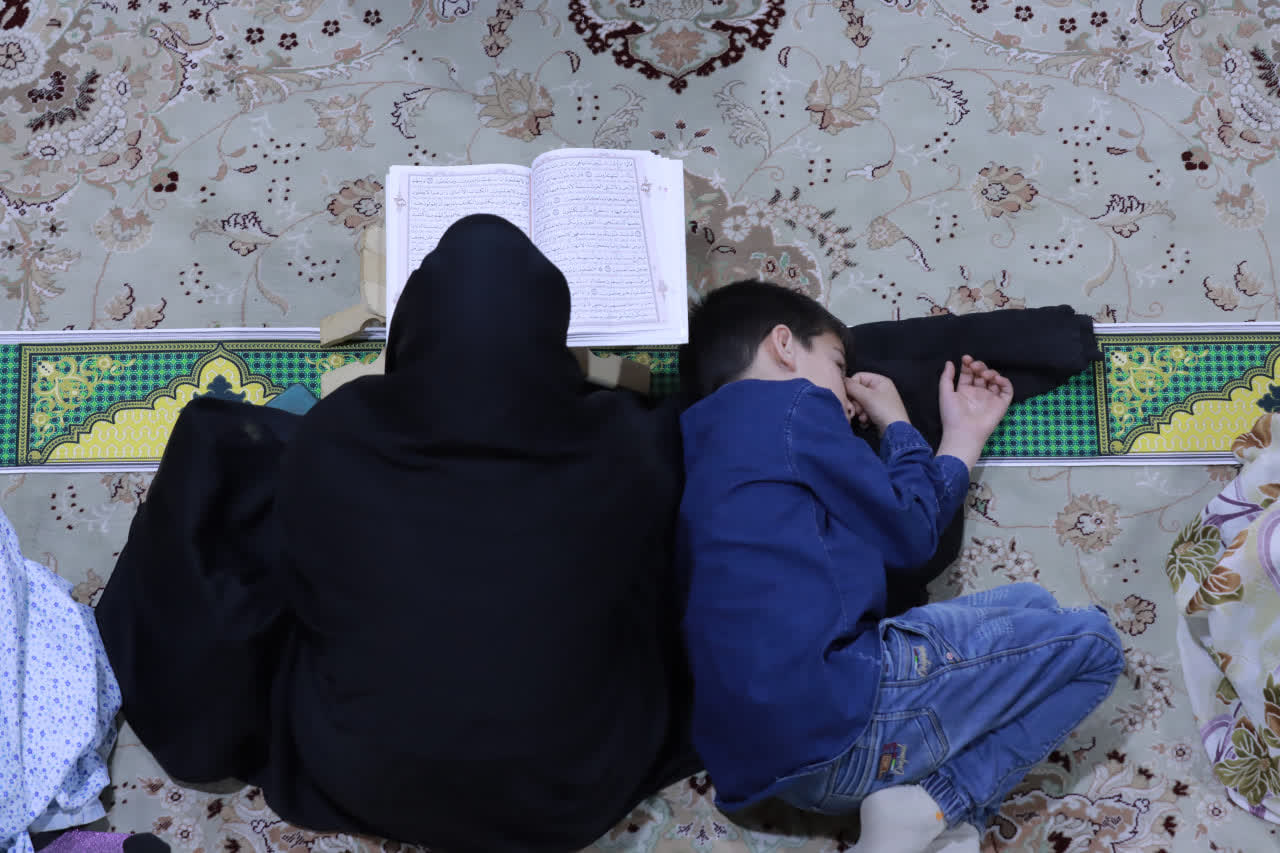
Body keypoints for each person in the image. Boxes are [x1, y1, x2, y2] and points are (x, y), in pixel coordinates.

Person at [95, 214, 699, 853]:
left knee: (252, 490)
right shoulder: (630, 446)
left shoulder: (336, 438)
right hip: (575, 788)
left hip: (364, 777)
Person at [675, 281, 1126, 853]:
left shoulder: (704, 443)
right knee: (1096, 646)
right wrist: (898, 423)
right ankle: (943, 804)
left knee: (1032, 606)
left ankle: (929, 825)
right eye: (838, 366)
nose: (845, 396)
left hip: (772, 770)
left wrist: (962, 437)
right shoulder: (794, 407)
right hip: (842, 720)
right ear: (783, 346)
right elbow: (912, 532)